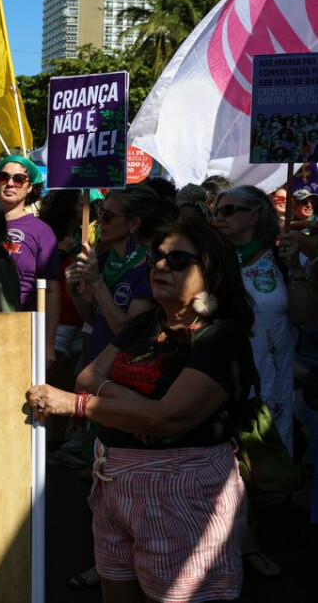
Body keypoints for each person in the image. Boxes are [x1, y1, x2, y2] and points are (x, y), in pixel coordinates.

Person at [27, 220, 256, 603]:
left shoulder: (220, 337)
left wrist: (77, 405)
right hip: (115, 488)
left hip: (181, 496)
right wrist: (139, 410)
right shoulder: (145, 324)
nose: (161, 267)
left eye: (179, 260)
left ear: (213, 270)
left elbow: (170, 418)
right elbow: (87, 376)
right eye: (156, 257)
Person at [213, 185, 318, 454]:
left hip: (270, 389)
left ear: (254, 216)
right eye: (216, 212)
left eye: (228, 211)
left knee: (267, 480)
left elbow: (305, 316)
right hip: (216, 386)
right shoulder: (210, 259)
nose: (219, 218)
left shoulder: (283, 259)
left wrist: (295, 267)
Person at [0, 139, 59, 361]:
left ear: (30, 186)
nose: (10, 183)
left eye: (19, 179)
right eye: (3, 177)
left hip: (20, 333)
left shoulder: (41, 231)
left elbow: (51, 292)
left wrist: (49, 344)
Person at [67, 185, 175, 364]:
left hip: (123, 372)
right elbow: (95, 320)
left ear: (134, 224)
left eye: (108, 216)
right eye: (101, 212)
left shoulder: (150, 268)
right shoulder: (103, 260)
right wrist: (74, 292)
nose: (100, 221)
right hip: (95, 365)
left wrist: (97, 283)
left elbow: (128, 334)